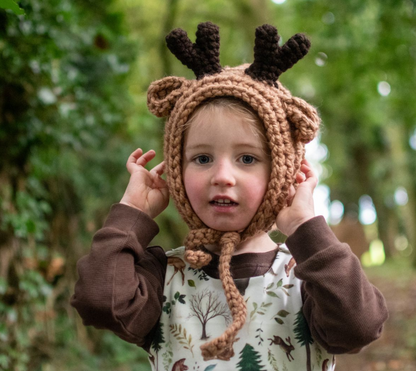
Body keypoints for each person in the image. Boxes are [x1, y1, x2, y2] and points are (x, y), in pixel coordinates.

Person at [71, 22, 388, 371]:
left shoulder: (307, 276)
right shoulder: (163, 277)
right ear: (176, 169)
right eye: (202, 159)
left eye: (247, 159)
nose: (222, 176)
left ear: (283, 173)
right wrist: (131, 213)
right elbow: (99, 302)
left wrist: (305, 227)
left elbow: (359, 325)